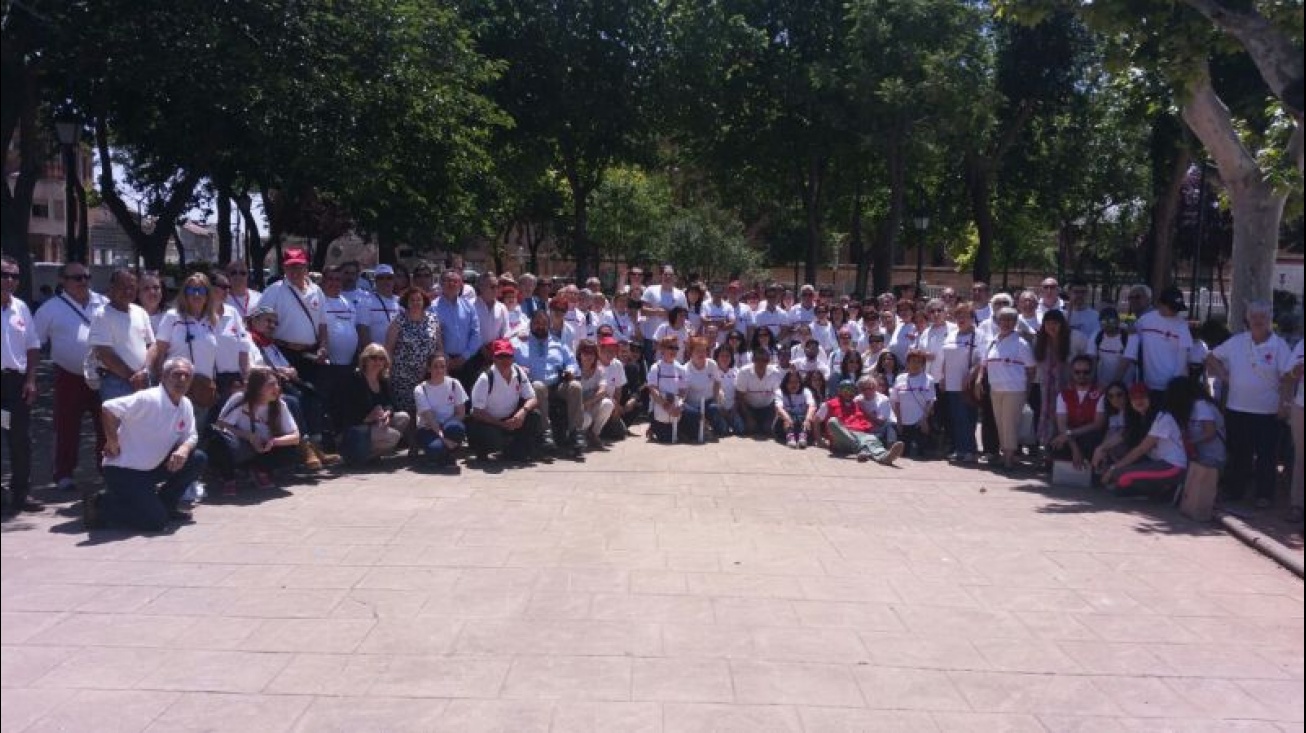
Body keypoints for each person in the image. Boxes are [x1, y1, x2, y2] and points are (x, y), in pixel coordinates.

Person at [84, 356, 207, 532]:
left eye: (187, 376)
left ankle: (166, 506)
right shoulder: (148, 399)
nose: (182, 380)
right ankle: (100, 504)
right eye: (177, 374)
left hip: (152, 467)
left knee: (197, 458)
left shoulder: (185, 404)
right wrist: (112, 441)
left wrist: (183, 449)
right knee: (154, 523)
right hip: (124, 471)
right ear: (163, 377)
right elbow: (108, 407)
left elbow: (191, 435)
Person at [1205, 300, 1295, 508]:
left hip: (1268, 411)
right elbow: (1211, 357)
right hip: (1237, 408)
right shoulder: (1236, 342)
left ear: (1269, 319)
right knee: (1238, 453)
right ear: (1247, 318)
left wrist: (1285, 404)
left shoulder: (1279, 346)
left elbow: (1287, 378)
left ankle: (1264, 495)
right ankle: (1234, 492)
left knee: (1267, 456)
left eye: (1262, 317)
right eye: (1254, 317)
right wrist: (1223, 375)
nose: (1258, 321)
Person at [35, 261, 109, 492]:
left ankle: (107, 469)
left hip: (103, 375)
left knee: (107, 425)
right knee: (66, 426)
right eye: (77, 278)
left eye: (86, 277)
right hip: (69, 376)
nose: (83, 282)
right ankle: (64, 473)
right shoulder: (50, 309)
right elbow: (35, 343)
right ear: (62, 281)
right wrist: (31, 377)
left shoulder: (103, 303)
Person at [244, 305, 338, 470]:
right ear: (255, 321)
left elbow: (288, 367)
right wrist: (279, 371)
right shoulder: (249, 340)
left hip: (283, 381)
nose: (272, 325)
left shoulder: (271, 344)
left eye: (275, 323)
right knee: (294, 400)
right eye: (268, 321)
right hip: (264, 384)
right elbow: (254, 367)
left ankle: (316, 446)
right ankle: (304, 447)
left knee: (313, 398)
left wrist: (290, 371)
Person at [210, 366, 301, 493]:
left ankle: (260, 471)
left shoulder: (279, 405)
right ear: (257, 388)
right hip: (242, 445)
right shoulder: (240, 399)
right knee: (218, 440)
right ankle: (229, 478)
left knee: (290, 449)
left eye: (277, 384)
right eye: (271, 385)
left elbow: (295, 436)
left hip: (266, 447)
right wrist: (249, 436)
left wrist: (273, 442)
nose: (277, 388)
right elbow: (220, 425)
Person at [148, 272, 222, 415]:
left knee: (196, 434)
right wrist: (159, 381)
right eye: (191, 290)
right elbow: (160, 351)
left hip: (202, 388)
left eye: (201, 290)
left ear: (207, 295)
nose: (196, 294)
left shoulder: (213, 320)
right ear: (184, 294)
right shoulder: (172, 316)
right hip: (175, 385)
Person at [1101, 377, 1191, 494]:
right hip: (1156, 462)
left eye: (1142, 397)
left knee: (1121, 477)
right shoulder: (1138, 418)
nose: (1138, 401)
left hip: (1172, 466)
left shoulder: (1163, 417)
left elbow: (1141, 449)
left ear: (1150, 398)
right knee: (1119, 463)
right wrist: (1101, 449)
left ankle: (1167, 490)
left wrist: (1113, 468)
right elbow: (1124, 437)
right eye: (1134, 398)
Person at [1, 255, 42, 514]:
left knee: (20, 440)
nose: (9, 280)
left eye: (14, 276)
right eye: (4, 275)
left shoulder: (22, 308)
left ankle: (20, 494)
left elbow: (33, 346)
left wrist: (30, 380)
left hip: (15, 384)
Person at [514, 309, 584, 454]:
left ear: (549, 325)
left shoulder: (558, 343)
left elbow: (572, 363)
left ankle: (575, 432)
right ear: (531, 324)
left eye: (544, 323)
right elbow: (509, 362)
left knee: (575, 386)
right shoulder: (519, 342)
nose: (541, 326)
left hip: (556, 385)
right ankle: (545, 433)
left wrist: (570, 371)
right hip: (533, 386)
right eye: (537, 323)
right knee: (538, 386)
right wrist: (519, 368)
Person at [259, 248, 329, 385]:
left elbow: (323, 324)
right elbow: (260, 324)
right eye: (290, 267)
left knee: (312, 397)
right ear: (283, 268)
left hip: (311, 354)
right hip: (284, 353)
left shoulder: (316, 291)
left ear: (306, 267)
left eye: (298, 266)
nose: (294, 271)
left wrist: (323, 346)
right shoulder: (274, 290)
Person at [978, 307, 1035, 472]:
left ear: (1016, 322)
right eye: (1003, 319)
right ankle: (1007, 454)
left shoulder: (1021, 343)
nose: (1006, 323)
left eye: (1010, 319)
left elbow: (1031, 369)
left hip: (1014, 389)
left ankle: (1008, 458)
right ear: (997, 321)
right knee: (1000, 423)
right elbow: (985, 363)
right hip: (996, 388)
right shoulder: (993, 341)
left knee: (1009, 423)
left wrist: (1027, 389)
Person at [333, 343, 410, 465]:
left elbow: (390, 403)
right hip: (355, 427)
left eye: (381, 358)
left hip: (375, 424)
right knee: (394, 437)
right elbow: (345, 412)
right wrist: (367, 417)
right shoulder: (355, 380)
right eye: (373, 357)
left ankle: (369, 455)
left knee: (404, 417)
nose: (378, 362)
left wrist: (387, 413)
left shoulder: (382, 380)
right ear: (365, 359)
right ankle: (355, 457)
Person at [468, 339, 544, 462]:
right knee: (494, 440)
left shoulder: (518, 371)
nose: (505, 360)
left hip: (510, 419)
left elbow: (532, 398)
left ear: (513, 357)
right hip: (488, 422)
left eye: (508, 356)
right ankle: (484, 449)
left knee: (534, 416)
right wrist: (501, 424)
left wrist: (522, 413)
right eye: (500, 356)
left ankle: (514, 449)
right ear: (494, 358)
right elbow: (477, 412)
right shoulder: (485, 378)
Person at [88, 269, 155, 402]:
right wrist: (133, 377)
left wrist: (145, 372)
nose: (127, 291)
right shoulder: (102, 315)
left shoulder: (140, 312)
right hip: (116, 383)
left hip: (143, 380)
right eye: (122, 287)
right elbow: (105, 353)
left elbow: (152, 345)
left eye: (131, 287)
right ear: (111, 288)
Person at [1123, 286, 1192, 403]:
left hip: (1171, 387)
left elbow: (1183, 357)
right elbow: (1132, 341)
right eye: (1171, 307)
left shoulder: (1182, 325)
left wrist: (1176, 383)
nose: (1174, 311)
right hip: (1148, 384)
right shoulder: (1145, 320)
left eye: (1177, 308)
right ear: (1160, 303)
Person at [385, 285, 443, 422]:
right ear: (406, 302)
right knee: (406, 411)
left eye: (419, 300)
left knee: (425, 408)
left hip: (427, 373)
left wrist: (440, 367)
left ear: (424, 302)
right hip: (402, 374)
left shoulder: (433, 319)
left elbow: (439, 346)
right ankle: (407, 439)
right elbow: (388, 348)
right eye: (412, 300)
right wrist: (387, 372)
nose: (416, 303)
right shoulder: (398, 321)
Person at [1032, 309, 1088, 446]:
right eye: (1048, 323)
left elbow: (1087, 360)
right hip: (1046, 389)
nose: (1052, 327)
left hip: (1069, 387)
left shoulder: (1076, 338)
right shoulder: (1039, 339)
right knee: (1046, 417)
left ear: (1062, 324)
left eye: (1055, 323)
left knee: (1066, 419)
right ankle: (1047, 449)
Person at [815, 379, 904, 465]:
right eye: (845, 389)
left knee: (870, 439)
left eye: (852, 390)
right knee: (832, 421)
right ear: (839, 391)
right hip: (842, 438)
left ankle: (885, 457)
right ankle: (861, 449)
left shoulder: (858, 404)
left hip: (860, 434)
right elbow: (816, 420)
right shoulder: (829, 404)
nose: (848, 392)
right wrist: (819, 440)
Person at [1048, 355, 1106, 470]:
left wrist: (1070, 433)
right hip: (1071, 437)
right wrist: (1074, 448)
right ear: (1072, 372)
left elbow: (1098, 424)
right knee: (1055, 444)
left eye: (1086, 372)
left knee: (1091, 442)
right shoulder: (1063, 395)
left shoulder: (1100, 393)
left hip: (1089, 435)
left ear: (1092, 373)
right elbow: (1062, 425)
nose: (1081, 375)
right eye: (1077, 372)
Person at [414, 352, 468, 467]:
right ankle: (445, 452)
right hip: (429, 428)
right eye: (435, 366)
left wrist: (444, 425)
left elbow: (461, 413)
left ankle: (447, 452)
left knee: (456, 428)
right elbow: (430, 419)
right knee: (435, 450)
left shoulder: (454, 383)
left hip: (448, 425)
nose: (439, 370)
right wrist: (444, 439)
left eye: (442, 366)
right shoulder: (420, 389)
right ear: (429, 368)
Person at [941, 303, 980, 462]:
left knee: (967, 419)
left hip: (966, 384)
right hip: (951, 383)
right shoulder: (951, 334)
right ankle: (960, 449)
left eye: (965, 315)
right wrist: (943, 376)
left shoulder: (978, 335)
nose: (961, 319)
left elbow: (981, 360)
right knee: (956, 418)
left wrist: (970, 376)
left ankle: (970, 450)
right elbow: (945, 357)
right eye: (958, 316)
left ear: (972, 318)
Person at [431, 269, 483, 390]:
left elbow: (476, 333)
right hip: (443, 363)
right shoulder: (432, 308)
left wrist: (464, 356)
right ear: (441, 284)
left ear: (460, 284)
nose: (452, 284)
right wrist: (446, 358)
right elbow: (432, 336)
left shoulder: (469, 306)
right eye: (448, 281)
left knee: (467, 399)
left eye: (455, 281)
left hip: (467, 361)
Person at [208, 270, 253, 402]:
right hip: (211, 378)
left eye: (229, 287)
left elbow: (243, 345)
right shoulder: (201, 315)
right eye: (222, 287)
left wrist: (245, 377)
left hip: (235, 378)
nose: (227, 290)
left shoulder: (232, 312)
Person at [892, 350, 936, 458]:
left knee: (916, 454)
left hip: (919, 423)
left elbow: (930, 401)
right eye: (913, 361)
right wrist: (899, 421)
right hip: (904, 423)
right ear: (907, 363)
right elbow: (896, 401)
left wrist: (924, 420)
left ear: (923, 364)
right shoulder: (900, 378)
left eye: (919, 362)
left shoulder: (928, 379)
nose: (915, 364)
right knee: (903, 455)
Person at [575, 339, 616, 448]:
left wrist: (589, 402)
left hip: (590, 404)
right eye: (586, 352)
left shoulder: (600, 370)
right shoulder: (574, 369)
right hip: (576, 408)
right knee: (586, 418)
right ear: (579, 354)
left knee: (608, 404)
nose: (589, 356)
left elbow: (603, 390)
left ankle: (594, 434)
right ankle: (578, 436)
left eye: (592, 353)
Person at [734, 348, 783, 436]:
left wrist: (776, 416)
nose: (761, 363)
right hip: (749, 407)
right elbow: (740, 397)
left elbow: (779, 397)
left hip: (768, 407)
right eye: (758, 360)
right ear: (753, 360)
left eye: (765, 360)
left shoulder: (775, 373)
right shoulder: (744, 372)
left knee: (768, 429)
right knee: (750, 429)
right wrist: (748, 417)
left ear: (769, 361)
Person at [640, 265, 687, 355]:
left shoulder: (680, 294)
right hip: (652, 337)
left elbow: (685, 315)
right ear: (661, 276)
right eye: (665, 274)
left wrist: (671, 314)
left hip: (673, 340)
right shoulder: (651, 290)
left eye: (670, 275)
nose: (668, 277)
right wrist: (657, 312)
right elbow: (642, 311)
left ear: (675, 277)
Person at [358, 264, 400, 346]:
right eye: (381, 278)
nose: (386, 281)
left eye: (389, 278)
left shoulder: (400, 301)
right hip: (378, 354)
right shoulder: (366, 301)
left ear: (394, 280)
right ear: (375, 281)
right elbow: (362, 330)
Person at [1089, 307, 1131, 386]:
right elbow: (1092, 361)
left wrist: (1113, 386)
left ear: (1118, 321)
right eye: (1103, 322)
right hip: (1101, 385)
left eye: (1111, 321)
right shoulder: (1096, 336)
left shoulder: (1128, 337)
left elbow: (1125, 364)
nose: (1107, 324)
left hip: (1124, 387)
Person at [775, 370, 817, 448]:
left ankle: (803, 436)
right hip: (784, 423)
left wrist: (807, 419)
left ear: (800, 383)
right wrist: (787, 418)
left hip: (802, 421)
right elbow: (778, 408)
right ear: (786, 383)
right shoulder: (780, 392)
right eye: (790, 382)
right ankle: (790, 436)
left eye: (796, 382)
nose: (793, 385)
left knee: (808, 417)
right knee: (785, 417)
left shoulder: (806, 391)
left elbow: (812, 406)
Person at [1287, 339, 1304, 524]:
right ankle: (1297, 505)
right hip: (1301, 407)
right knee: (1301, 458)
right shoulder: (1301, 345)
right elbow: (1287, 375)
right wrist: (1295, 372)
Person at [475, 272, 509, 349]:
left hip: (497, 351)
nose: (496, 289)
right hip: (475, 353)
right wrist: (483, 349)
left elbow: (505, 331)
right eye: (492, 286)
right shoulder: (471, 306)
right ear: (481, 287)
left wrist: (499, 346)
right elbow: (469, 332)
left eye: (497, 286)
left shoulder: (502, 307)